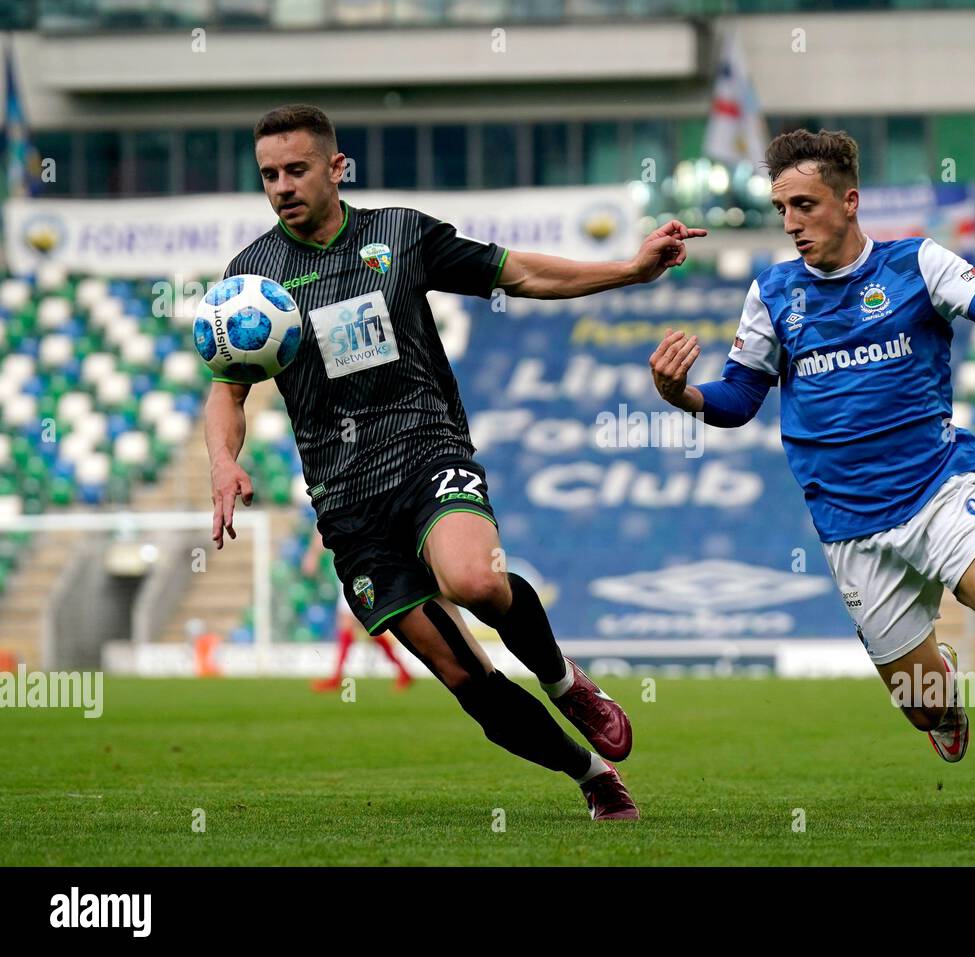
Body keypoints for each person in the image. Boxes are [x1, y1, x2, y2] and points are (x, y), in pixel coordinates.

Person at [649, 128, 975, 811]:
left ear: (849, 201)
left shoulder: (916, 264)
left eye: (805, 205)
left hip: (938, 490)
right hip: (851, 530)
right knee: (922, 707)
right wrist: (685, 396)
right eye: (781, 208)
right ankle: (948, 708)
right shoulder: (773, 294)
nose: (790, 224)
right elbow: (739, 399)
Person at [206, 104, 704, 821]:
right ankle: (590, 773)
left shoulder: (399, 234)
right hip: (347, 501)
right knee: (466, 677)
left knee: (473, 579)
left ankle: (565, 682)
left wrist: (628, 269)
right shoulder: (252, 279)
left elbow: (520, 272)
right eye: (269, 174)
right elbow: (227, 390)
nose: (282, 185)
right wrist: (224, 460)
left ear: (336, 168)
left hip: (424, 448)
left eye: (297, 169)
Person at [299, 528, 413, 692]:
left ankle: (336, 677)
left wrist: (313, 554)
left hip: (356, 569)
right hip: (353, 567)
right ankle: (403, 671)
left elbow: (324, 528)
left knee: (350, 624)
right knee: (363, 627)